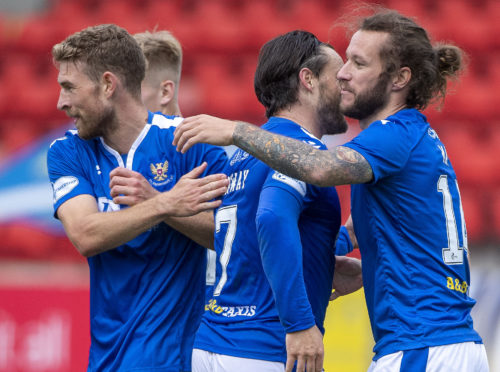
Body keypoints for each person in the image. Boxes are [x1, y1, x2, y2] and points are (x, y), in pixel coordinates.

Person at [173, 9, 489, 372]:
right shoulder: (404, 137)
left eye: (358, 63)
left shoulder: (393, 134)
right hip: (436, 342)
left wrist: (235, 132)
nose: (342, 73)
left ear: (400, 78)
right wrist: (325, 256)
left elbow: (317, 170)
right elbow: (364, 223)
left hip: (424, 344)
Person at [47, 24, 229, 371]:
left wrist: (157, 200)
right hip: (106, 355)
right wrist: (163, 204)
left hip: (175, 355)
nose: (61, 102)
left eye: (69, 87)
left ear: (107, 85)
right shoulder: (67, 152)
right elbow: (85, 235)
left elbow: (228, 239)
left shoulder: (190, 141)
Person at [190, 30, 350, 372]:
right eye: (337, 77)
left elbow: (262, 237)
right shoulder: (302, 153)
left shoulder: (243, 157)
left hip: (213, 342)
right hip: (264, 348)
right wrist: (299, 324)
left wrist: (346, 241)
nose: (345, 86)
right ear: (307, 79)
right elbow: (272, 220)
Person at [132, 29, 218, 304]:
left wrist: (159, 203)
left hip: (204, 311)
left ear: (165, 91)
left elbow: (231, 234)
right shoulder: (126, 154)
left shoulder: (205, 152)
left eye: (134, 89)